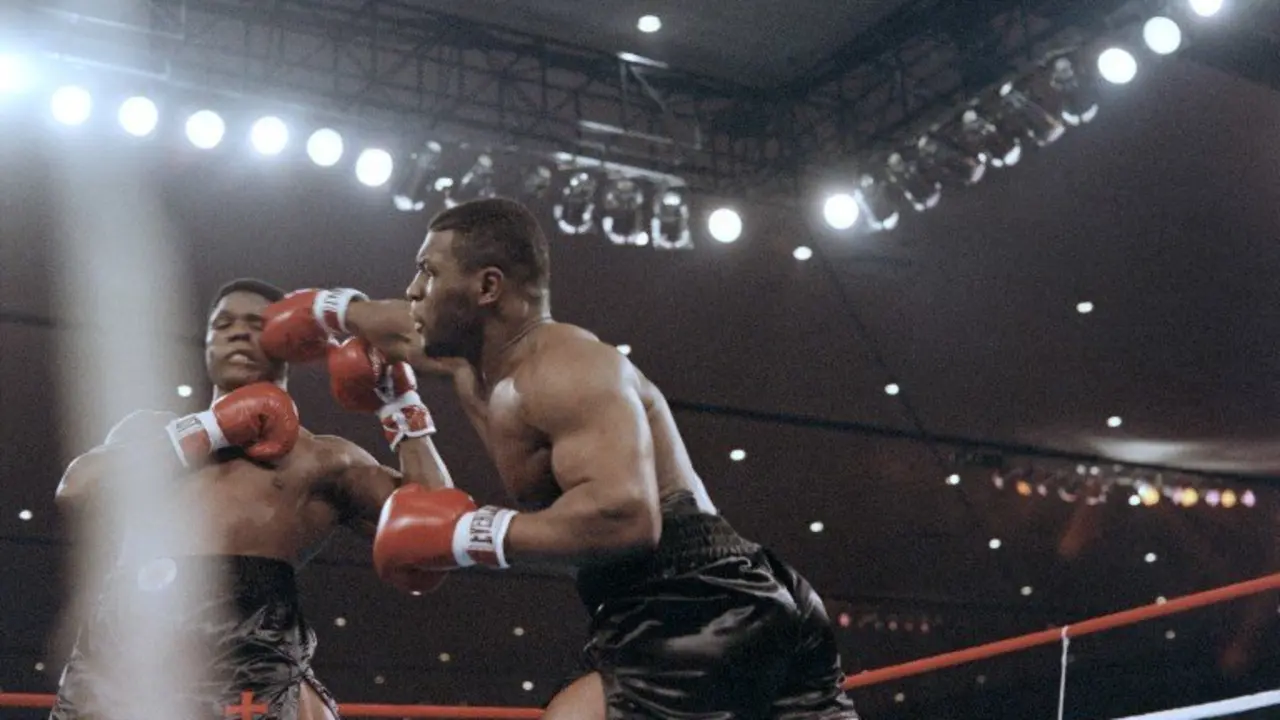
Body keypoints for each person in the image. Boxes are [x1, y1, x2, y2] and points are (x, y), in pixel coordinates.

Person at [262, 199, 861, 719]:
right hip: (706, 602)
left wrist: (467, 534)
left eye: (427, 271)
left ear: (487, 287)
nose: (413, 289)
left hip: (696, 598)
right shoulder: (462, 351)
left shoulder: (569, 371)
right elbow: (382, 320)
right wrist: (321, 309)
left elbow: (625, 517)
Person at [50, 278, 452, 720]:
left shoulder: (322, 460)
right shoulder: (151, 432)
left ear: (290, 344)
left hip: (247, 667)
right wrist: (209, 430)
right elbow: (77, 489)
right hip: (123, 657)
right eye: (222, 324)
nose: (237, 332)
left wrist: (400, 404)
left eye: (256, 324)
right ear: (205, 345)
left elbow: (440, 531)